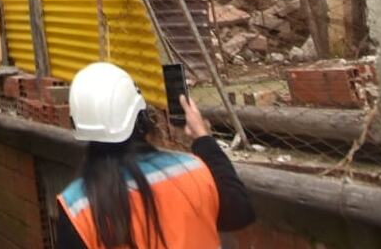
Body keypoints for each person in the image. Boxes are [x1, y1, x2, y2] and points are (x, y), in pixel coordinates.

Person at [55, 63, 253, 249]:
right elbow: (240, 212)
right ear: (141, 116)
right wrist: (203, 138)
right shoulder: (193, 170)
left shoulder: (77, 206)